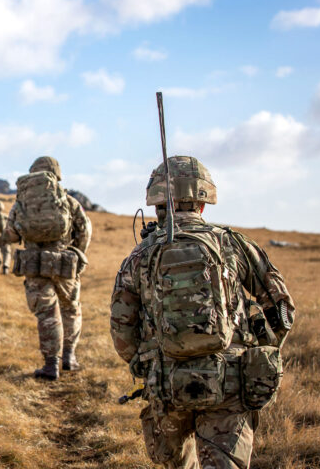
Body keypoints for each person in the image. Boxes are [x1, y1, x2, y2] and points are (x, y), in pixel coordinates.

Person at [110, 155, 296, 469]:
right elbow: (282, 308)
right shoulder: (233, 244)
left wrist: (150, 360)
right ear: (203, 203)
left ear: (157, 203)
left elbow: (122, 331)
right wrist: (260, 350)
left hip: (168, 384)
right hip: (230, 382)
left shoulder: (139, 255)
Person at [3, 156, 91, 380]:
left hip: (34, 264)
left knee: (47, 314)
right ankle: (69, 357)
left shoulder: (21, 203)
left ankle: (51, 365)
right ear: (57, 175)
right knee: (70, 310)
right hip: (64, 263)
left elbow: (11, 234)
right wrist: (76, 252)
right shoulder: (69, 201)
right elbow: (85, 229)